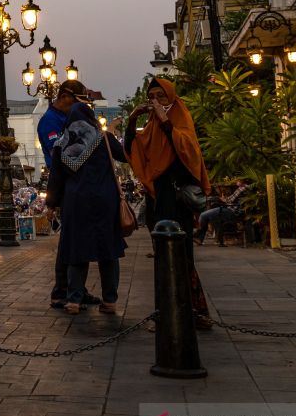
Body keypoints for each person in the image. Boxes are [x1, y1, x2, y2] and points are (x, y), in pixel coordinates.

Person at [125, 77, 213, 328]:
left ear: (171, 96)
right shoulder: (152, 125)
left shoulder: (179, 115)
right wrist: (133, 119)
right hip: (160, 199)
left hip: (178, 200)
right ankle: (167, 312)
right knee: (165, 257)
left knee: (182, 256)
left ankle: (193, 311)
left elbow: (189, 150)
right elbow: (133, 149)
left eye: (161, 96)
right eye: (152, 96)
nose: (156, 101)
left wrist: (165, 119)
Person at [49, 103, 127, 315]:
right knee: (108, 250)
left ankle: (74, 300)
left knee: (77, 250)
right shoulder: (104, 139)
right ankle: (110, 301)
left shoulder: (61, 144)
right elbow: (126, 155)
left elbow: (55, 179)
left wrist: (51, 205)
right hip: (105, 201)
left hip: (76, 202)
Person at [37, 79, 97, 309]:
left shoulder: (68, 118)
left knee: (75, 239)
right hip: (66, 185)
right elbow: (60, 160)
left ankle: (76, 288)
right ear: (64, 97)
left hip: (78, 184)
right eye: (78, 100)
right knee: (70, 241)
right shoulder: (50, 122)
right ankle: (63, 290)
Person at [196, 179, 249, 245]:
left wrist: (222, 199)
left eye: (237, 180)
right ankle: (201, 238)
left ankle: (199, 238)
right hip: (235, 211)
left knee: (203, 215)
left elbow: (229, 200)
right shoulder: (248, 188)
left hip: (231, 211)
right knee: (208, 215)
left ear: (242, 181)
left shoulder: (241, 189)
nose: (236, 181)